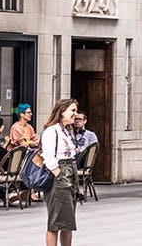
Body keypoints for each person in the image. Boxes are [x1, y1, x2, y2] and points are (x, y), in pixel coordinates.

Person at [42, 98, 80, 246]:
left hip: (70, 173)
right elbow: (48, 156)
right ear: (62, 111)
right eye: (72, 110)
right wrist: (59, 174)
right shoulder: (51, 131)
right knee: (56, 221)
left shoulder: (66, 131)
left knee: (68, 221)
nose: (75, 114)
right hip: (60, 174)